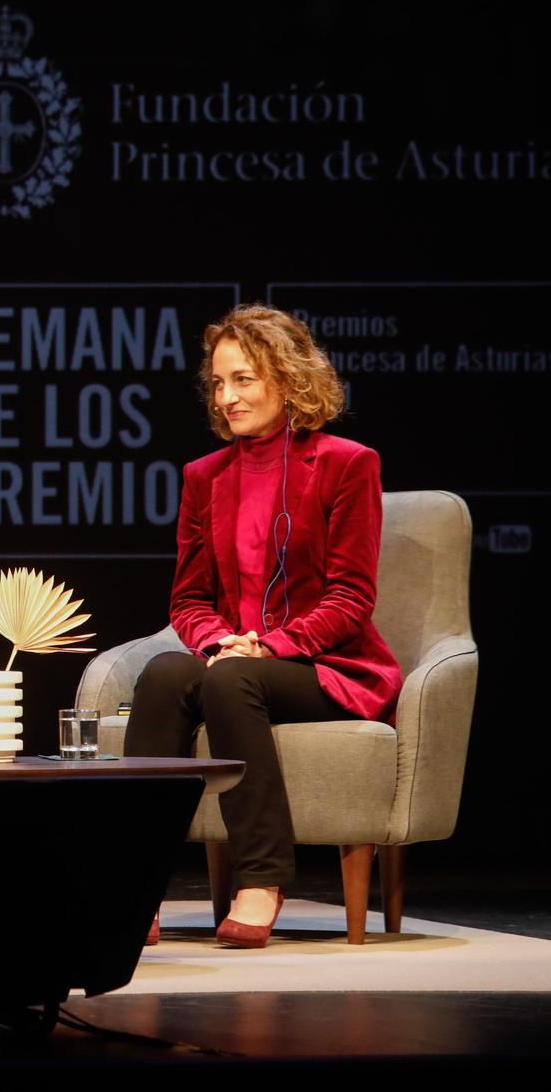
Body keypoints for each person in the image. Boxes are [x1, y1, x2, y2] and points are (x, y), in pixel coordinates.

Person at [125, 305, 402, 948]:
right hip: (236, 659)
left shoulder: (346, 464)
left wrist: (267, 645)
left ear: (288, 377)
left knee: (231, 684)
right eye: (219, 384)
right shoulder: (205, 477)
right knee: (166, 672)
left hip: (324, 666)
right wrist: (221, 642)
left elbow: (351, 597)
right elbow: (189, 599)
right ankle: (133, 881)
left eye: (244, 380)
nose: (227, 398)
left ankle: (262, 877)